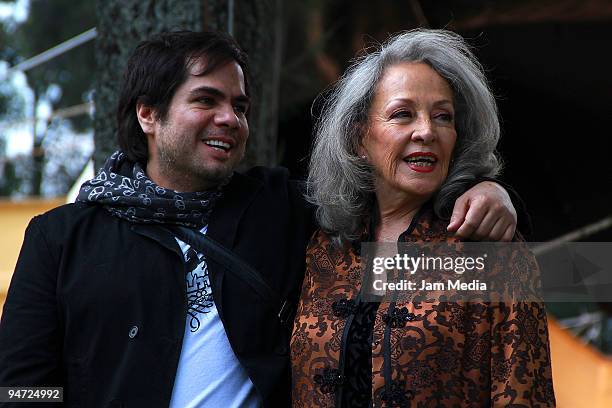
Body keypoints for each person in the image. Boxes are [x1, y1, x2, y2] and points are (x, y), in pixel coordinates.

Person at [0, 31, 519, 407]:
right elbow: (21, 386)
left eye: (240, 106)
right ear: (148, 115)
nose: (230, 118)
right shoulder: (61, 238)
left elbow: (391, 184)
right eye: (206, 100)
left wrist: (485, 188)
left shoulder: (280, 207)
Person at [290, 29, 555, 407]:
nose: (427, 131)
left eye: (443, 117)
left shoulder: (489, 249)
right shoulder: (321, 247)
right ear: (358, 138)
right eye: (402, 114)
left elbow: (525, 393)